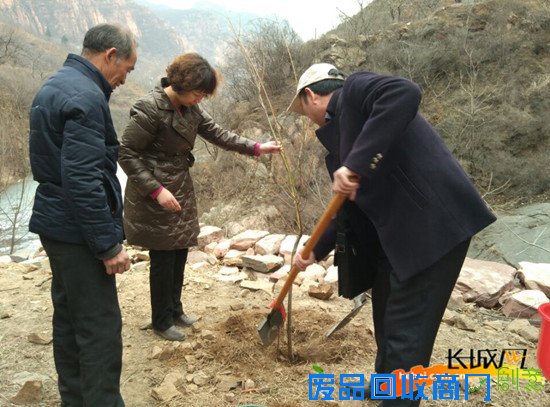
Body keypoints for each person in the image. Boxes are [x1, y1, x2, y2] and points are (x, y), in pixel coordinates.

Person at [289, 63, 496, 406]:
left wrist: (355, 163)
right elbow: (346, 207)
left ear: (310, 95)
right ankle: (387, 386)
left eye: (302, 109)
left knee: (406, 335)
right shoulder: (339, 139)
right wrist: (316, 248)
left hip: (432, 229)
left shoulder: (357, 90)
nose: (306, 118)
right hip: (396, 238)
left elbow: (405, 92)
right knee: (385, 318)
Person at [119, 53, 281, 342]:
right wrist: (156, 190)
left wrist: (256, 148)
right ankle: (160, 320)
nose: (200, 99)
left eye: (204, 95)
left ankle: (175, 310)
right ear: (180, 84)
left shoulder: (191, 108)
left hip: (179, 184)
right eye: (198, 93)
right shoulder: (149, 108)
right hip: (154, 192)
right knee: (163, 257)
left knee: (179, 250)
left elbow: (219, 134)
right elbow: (126, 153)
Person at [28, 24, 136, 406]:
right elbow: (82, 178)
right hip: (76, 231)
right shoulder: (87, 96)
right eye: (127, 68)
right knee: (100, 329)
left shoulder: (56, 83)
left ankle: (74, 399)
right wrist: (107, 245)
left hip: (55, 224)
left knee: (70, 320)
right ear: (110, 55)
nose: (125, 78)